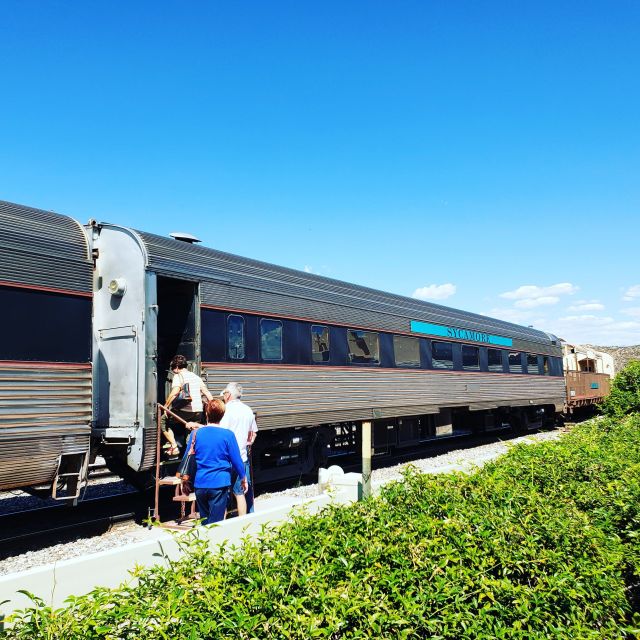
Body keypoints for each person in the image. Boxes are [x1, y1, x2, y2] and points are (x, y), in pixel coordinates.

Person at [183, 398, 248, 525]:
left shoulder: (195, 433)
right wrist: (243, 477)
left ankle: (205, 544)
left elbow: (187, 458)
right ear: (222, 415)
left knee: (204, 521)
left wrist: (185, 480)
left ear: (206, 414)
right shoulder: (228, 435)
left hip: (200, 484)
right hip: (219, 484)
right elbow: (236, 460)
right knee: (216, 524)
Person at [161, 355, 213, 457]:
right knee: (191, 431)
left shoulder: (178, 376)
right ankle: (190, 456)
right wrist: (213, 406)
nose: (173, 371)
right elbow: (206, 393)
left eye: (173, 368)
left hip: (185, 410)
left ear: (176, 367)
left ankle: (174, 446)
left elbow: (175, 392)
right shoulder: (196, 377)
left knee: (163, 421)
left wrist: (166, 406)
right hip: (198, 411)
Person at [219, 382, 258, 515]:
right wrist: (247, 443)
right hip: (242, 457)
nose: (223, 396)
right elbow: (253, 434)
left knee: (222, 494)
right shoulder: (247, 409)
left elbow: (221, 433)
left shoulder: (226, 410)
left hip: (226, 459)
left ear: (228, 394)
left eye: (224, 394)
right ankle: (244, 523)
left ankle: (220, 526)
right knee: (240, 493)